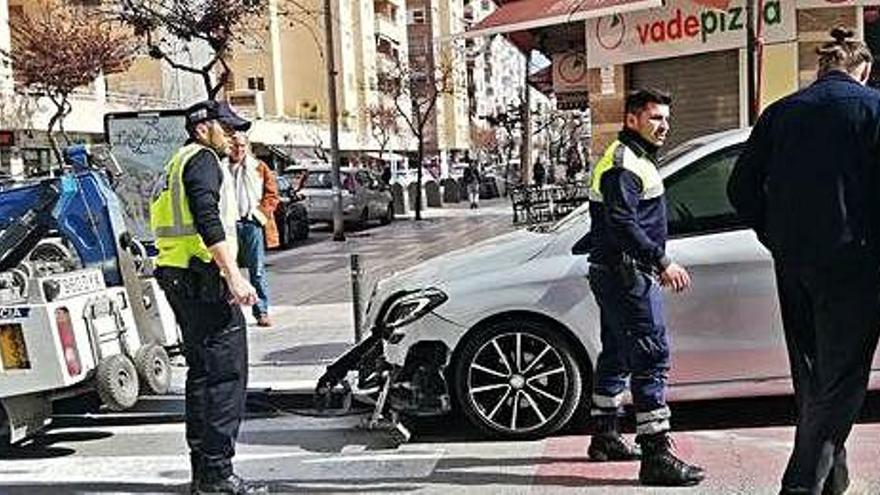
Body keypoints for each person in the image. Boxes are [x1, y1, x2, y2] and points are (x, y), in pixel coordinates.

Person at [727, 28, 880, 495]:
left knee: (815, 377)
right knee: (842, 381)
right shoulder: (873, 109)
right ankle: (801, 486)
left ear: (819, 70)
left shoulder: (779, 113)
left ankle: (833, 478)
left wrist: (775, 236)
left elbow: (740, 189)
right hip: (856, 264)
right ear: (865, 69)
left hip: (794, 265)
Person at [584, 88, 703, 486]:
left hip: (616, 271)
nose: (664, 126)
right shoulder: (623, 164)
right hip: (628, 272)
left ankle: (605, 436)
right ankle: (656, 457)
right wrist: (662, 260)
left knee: (617, 352)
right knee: (651, 356)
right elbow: (622, 223)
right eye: (655, 118)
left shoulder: (634, 159)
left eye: (666, 119)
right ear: (632, 119)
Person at [150, 100, 264, 495]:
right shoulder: (202, 160)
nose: (235, 136)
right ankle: (217, 475)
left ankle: (204, 471)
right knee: (224, 377)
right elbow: (206, 216)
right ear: (202, 129)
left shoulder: (176, 162)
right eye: (227, 129)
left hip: (180, 276)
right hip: (204, 279)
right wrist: (233, 276)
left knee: (202, 377)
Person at [228, 133, 280, 327]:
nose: (238, 150)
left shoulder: (258, 167)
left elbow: (272, 194)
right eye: (234, 146)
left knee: (256, 270)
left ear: (247, 147)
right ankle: (231, 315)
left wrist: (260, 214)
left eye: (242, 146)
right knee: (228, 270)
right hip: (229, 224)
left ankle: (261, 311)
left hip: (251, 223)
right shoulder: (222, 168)